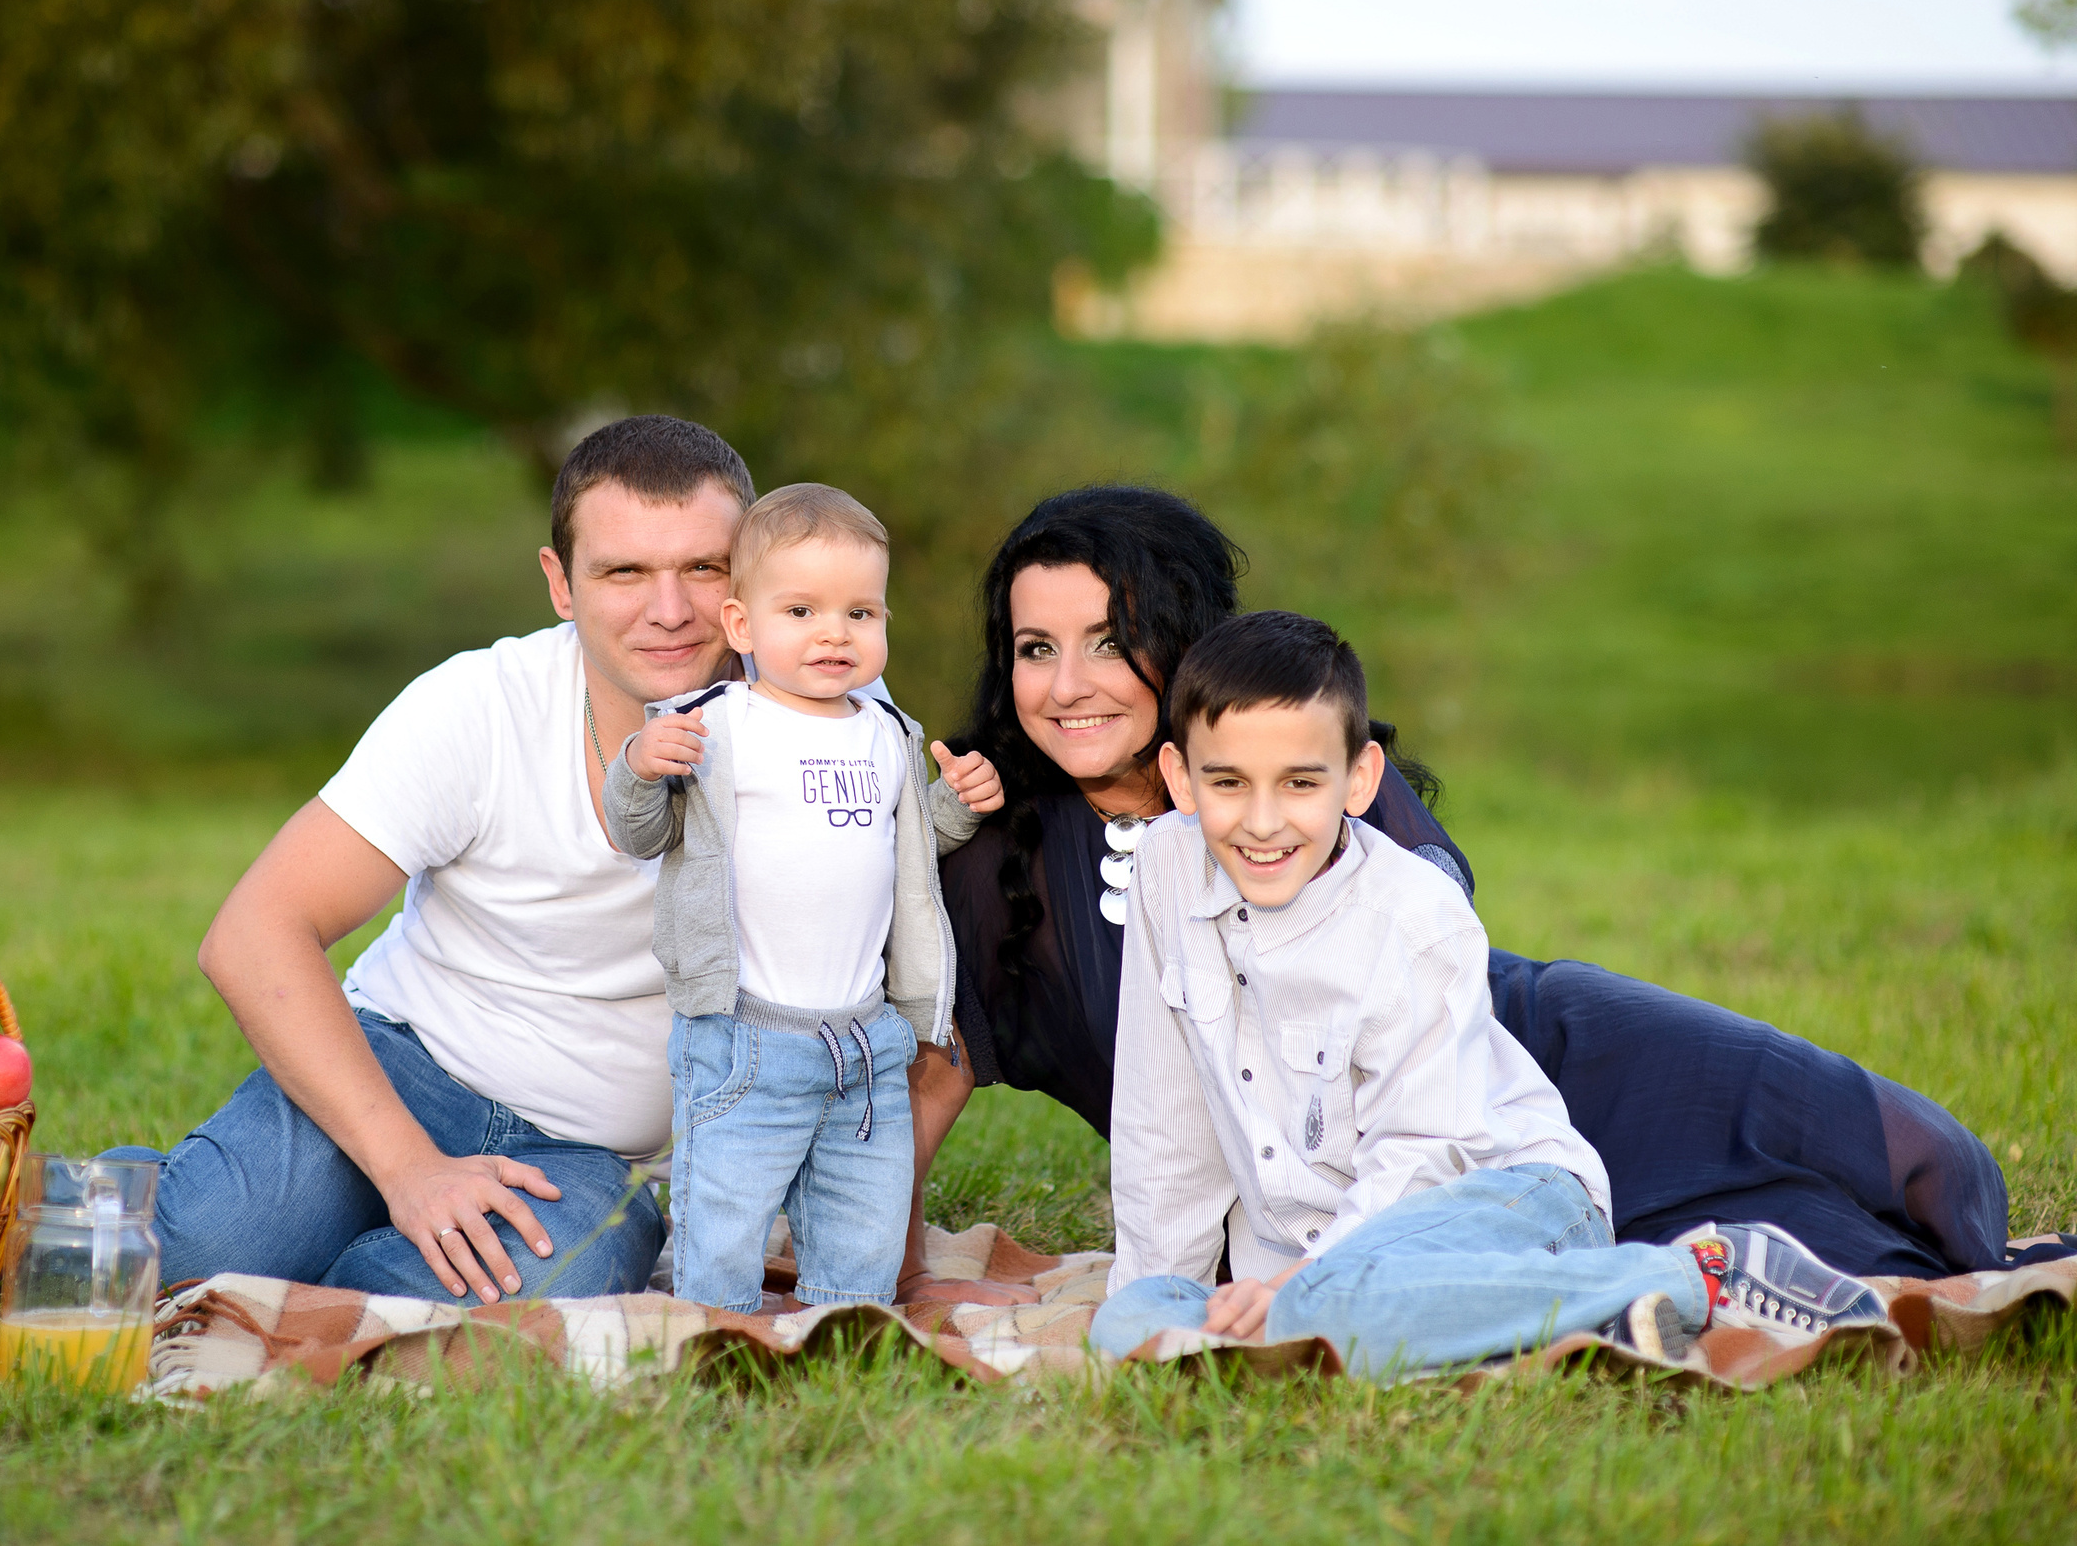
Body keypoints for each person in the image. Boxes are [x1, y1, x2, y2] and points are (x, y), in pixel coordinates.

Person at [904, 485, 2011, 1302]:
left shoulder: (1300, 772)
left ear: (1182, 642)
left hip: (1494, 1067)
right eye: (1035, 647)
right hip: (1343, 1204)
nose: (1067, 685)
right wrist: (891, 1271)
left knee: (1914, 1156)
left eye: (1110, 641)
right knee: (1841, 1260)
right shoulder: (1001, 857)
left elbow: (1434, 955)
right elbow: (934, 1068)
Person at [1087, 611, 1889, 1370]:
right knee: (1129, 1321)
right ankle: (1565, 1315)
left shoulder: (1416, 916)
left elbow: (1425, 1152)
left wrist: (1302, 1287)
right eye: (1229, 782)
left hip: (1508, 1201)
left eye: (1300, 783)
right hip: (1322, 1267)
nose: (1263, 822)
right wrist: (1154, 1289)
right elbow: (1164, 1113)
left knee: (1325, 1309)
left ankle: (1702, 1275)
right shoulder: (1164, 868)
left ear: (1360, 778)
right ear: (1180, 779)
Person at [120, 414, 765, 1304]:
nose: (670, 610)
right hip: (403, 1069)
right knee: (189, 1248)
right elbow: (254, 933)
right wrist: (409, 1168)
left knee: (511, 1292)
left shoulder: (819, 727)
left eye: (704, 567)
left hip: (586, 1156)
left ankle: (321, 1287)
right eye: (624, 572)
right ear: (561, 584)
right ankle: (190, 1205)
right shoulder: (478, 707)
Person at [603, 484, 1001, 1311]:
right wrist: (639, 766)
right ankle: (716, 1331)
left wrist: (957, 803)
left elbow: (910, 847)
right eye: (801, 611)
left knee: (865, 1216)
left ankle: (844, 1325)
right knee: (726, 1214)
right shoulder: (716, 726)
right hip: (746, 1034)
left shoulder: (887, 733)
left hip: (866, 1037)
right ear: (741, 626)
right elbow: (639, 834)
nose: (834, 633)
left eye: (861, 613)